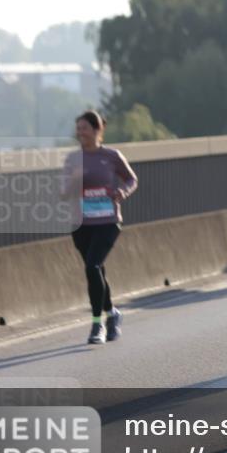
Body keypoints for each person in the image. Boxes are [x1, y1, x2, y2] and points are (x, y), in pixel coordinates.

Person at [60, 110, 138, 345]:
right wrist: (74, 181)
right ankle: (112, 313)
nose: (80, 133)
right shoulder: (73, 159)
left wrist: (123, 191)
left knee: (92, 266)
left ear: (97, 130)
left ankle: (97, 325)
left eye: (84, 128)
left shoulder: (112, 156)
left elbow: (131, 179)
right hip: (81, 224)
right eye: (78, 128)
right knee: (96, 271)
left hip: (108, 221)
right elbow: (63, 194)